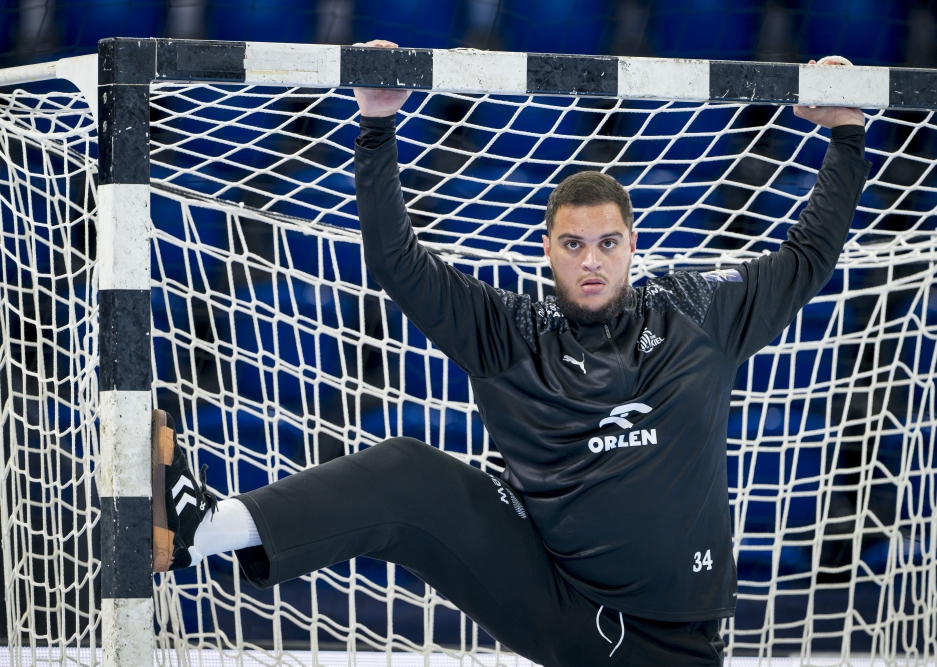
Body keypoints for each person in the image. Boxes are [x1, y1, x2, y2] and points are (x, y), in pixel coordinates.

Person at [151, 41, 870, 666]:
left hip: (678, 636)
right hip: (562, 602)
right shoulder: (510, 331)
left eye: (607, 243)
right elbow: (398, 264)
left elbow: (808, 254)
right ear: (548, 250)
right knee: (407, 472)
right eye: (573, 244)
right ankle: (203, 528)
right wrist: (376, 125)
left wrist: (845, 136)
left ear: (632, 245)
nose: (592, 260)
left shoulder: (698, 311)